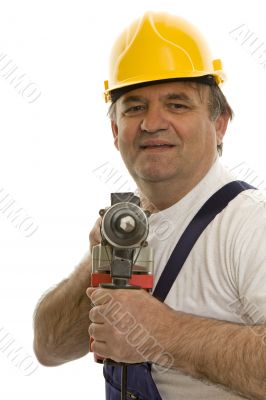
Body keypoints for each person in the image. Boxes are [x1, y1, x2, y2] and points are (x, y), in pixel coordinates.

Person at [33, 11, 266, 400]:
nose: (152, 123)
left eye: (177, 105)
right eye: (134, 107)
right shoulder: (126, 228)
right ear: (114, 130)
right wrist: (97, 263)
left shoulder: (250, 224)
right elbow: (49, 349)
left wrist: (164, 333)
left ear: (220, 122)